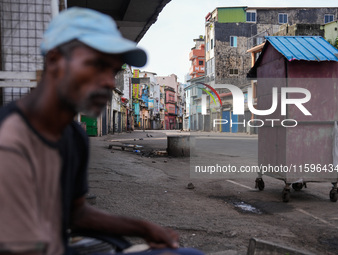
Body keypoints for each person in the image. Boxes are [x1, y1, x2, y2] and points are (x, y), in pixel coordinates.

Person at [0, 7, 204, 255]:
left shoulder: (72, 135)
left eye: (113, 71)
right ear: (54, 60)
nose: (108, 81)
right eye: (96, 65)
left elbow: (75, 212)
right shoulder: (10, 143)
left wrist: (142, 227)